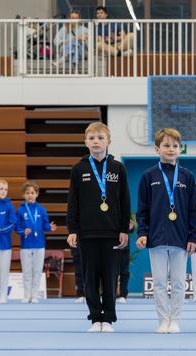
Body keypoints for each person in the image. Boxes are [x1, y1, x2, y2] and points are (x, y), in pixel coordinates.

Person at [67, 122, 130, 333]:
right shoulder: (79, 169)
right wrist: (73, 230)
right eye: (92, 138)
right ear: (85, 142)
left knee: (111, 277)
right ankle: (95, 317)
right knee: (90, 278)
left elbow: (125, 201)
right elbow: (73, 202)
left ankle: (109, 319)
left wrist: (123, 229)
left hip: (112, 232)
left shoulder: (118, 168)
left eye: (100, 138)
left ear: (109, 142)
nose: (96, 142)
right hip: (87, 233)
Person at [136, 128, 196, 334]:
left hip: (181, 238)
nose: (171, 149)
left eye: (174, 146)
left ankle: (175, 319)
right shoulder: (148, 176)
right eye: (166, 145)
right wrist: (142, 232)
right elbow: (143, 208)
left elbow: (193, 210)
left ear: (180, 149)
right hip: (156, 237)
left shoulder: (188, 176)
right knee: (160, 282)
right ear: (157, 149)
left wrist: (193, 236)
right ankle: (163, 319)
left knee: (180, 282)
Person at [15, 181, 57, 304]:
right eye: (27, 193)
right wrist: (23, 231)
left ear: (37, 194)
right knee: (27, 271)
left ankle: (34, 295)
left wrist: (50, 227)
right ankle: (26, 295)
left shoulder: (41, 210)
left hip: (39, 245)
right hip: (26, 245)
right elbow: (16, 227)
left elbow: (45, 225)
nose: (30, 195)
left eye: (32, 193)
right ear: (23, 195)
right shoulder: (21, 210)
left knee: (37, 271)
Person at [117, 217, 134, 303]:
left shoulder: (124, 208)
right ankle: (108, 294)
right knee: (107, 272)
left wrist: (131, 227)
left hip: (124, 246)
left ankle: (123, 295)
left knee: (124, 271)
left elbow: (131, 228)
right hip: (108, 244)